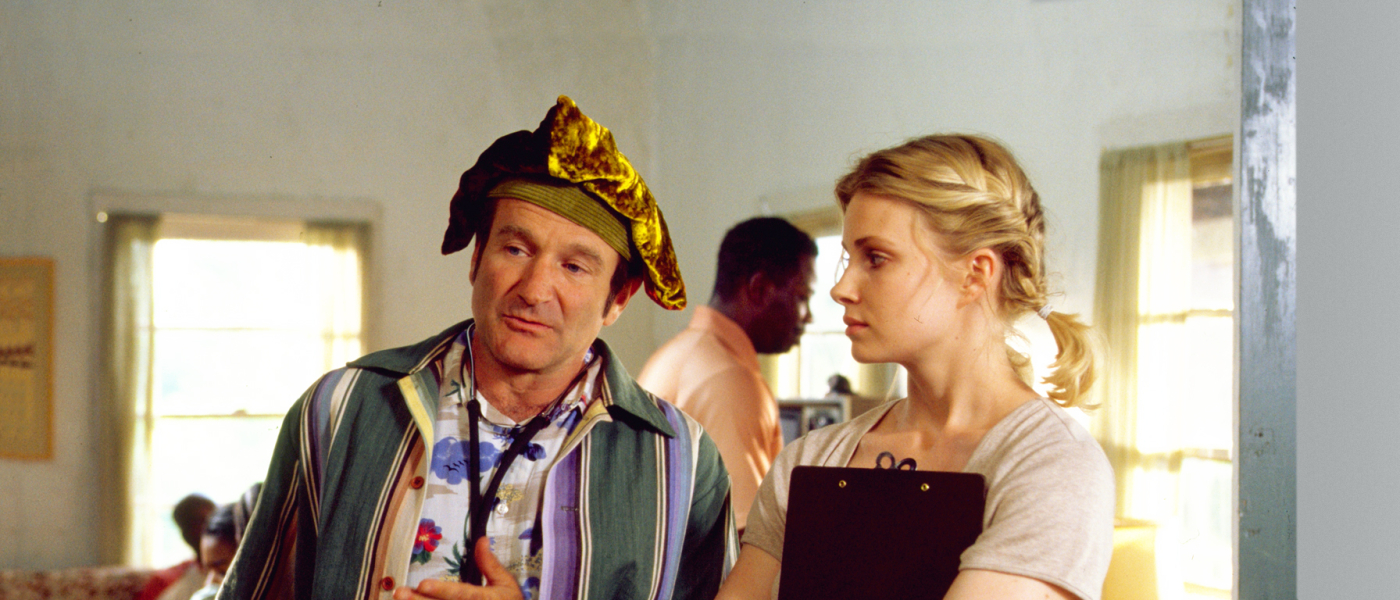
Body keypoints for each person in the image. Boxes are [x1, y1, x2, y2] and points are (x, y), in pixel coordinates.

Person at [219, 96, 735, 600]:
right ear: (476, 258)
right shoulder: (338, 410)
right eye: (516, 248)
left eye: (574, 267)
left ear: (618, 299)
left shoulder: (683, 463)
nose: (534, 290)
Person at [715, 135, 1115, 600]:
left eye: (876, 258)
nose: (841, 288)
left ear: (975, 275)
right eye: (847, 258)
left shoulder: (1052, 466)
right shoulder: (810, 461)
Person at [637, 217, 816, 531]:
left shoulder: (679, 353)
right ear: (759, 289)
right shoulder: (729, 380)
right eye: (802, 297)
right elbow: (745, 534)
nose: (808, 316)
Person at [136, 493, 216, 600]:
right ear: (184, 534)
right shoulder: (163, 580)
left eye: (211, 520)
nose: (205, 529)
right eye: (193, 524)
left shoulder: (235, 575)